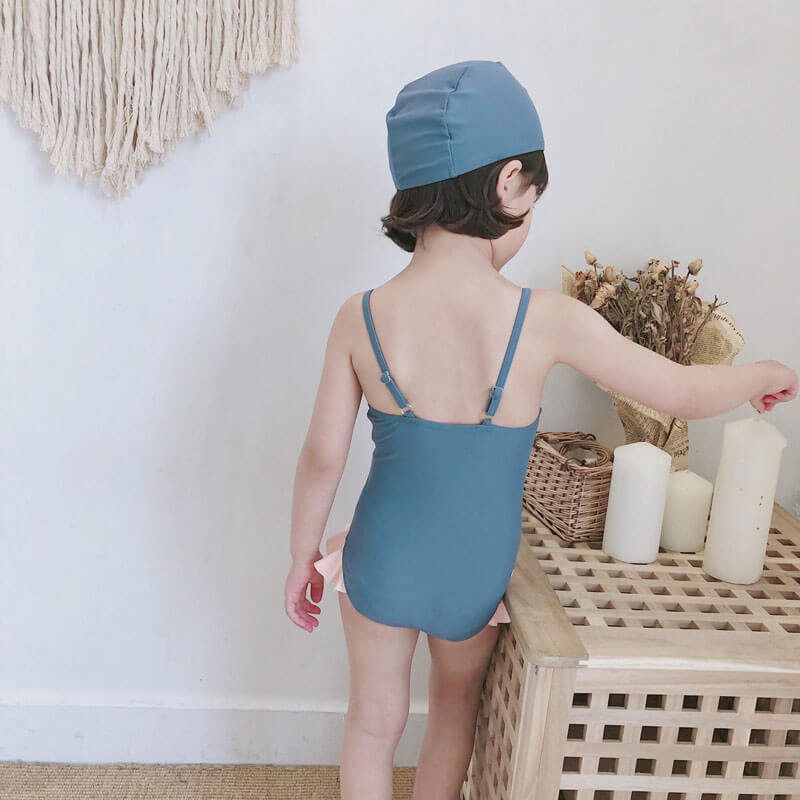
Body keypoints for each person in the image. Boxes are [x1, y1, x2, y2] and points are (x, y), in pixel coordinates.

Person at [283, 60, 798, 800]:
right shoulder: (544, 320)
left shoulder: (359, 316)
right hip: (474, 573)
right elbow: (679, 390)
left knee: (372, 722)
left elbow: (322, 455)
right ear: (508, 183)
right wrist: (760, 374)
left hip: (381, 561)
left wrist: (305, 553)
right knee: (452, 712)